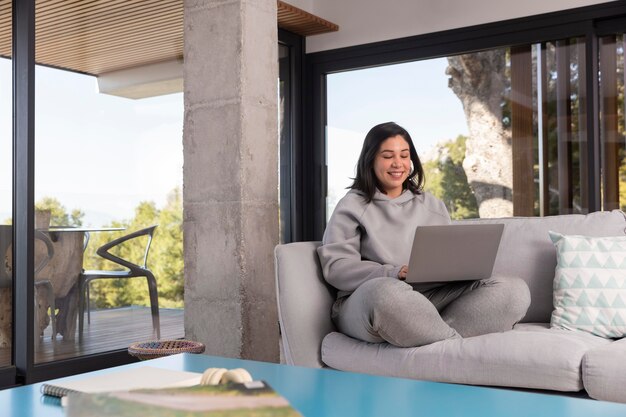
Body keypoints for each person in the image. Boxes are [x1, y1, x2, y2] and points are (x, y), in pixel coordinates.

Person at [317, 122, 530, 348]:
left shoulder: (431, 204)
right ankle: (450, 346)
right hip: (370, 302)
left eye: (404, 155)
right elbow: (337, 268)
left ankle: (432, 338)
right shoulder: (351, 205)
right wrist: (393, 272)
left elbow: (449, 256)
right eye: (388, 156)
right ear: (370, 160)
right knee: (384, 294)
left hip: (430, 299)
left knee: (513, 290)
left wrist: (461, 270)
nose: (398, 163)